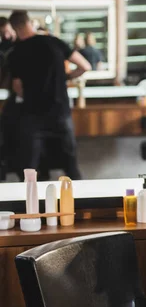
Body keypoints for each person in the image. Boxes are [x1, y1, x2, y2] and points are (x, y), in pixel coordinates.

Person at [7, 10, 91, 180]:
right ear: (29, 22)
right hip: (60, 113)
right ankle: (81, 204)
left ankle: (33, 205)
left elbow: (17, 87)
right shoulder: (54, 42)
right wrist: (66, 78)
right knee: (71, 166)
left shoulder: (17, 52)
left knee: (30, 170)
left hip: (33, 116)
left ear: (16, 28)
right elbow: (85, 66)